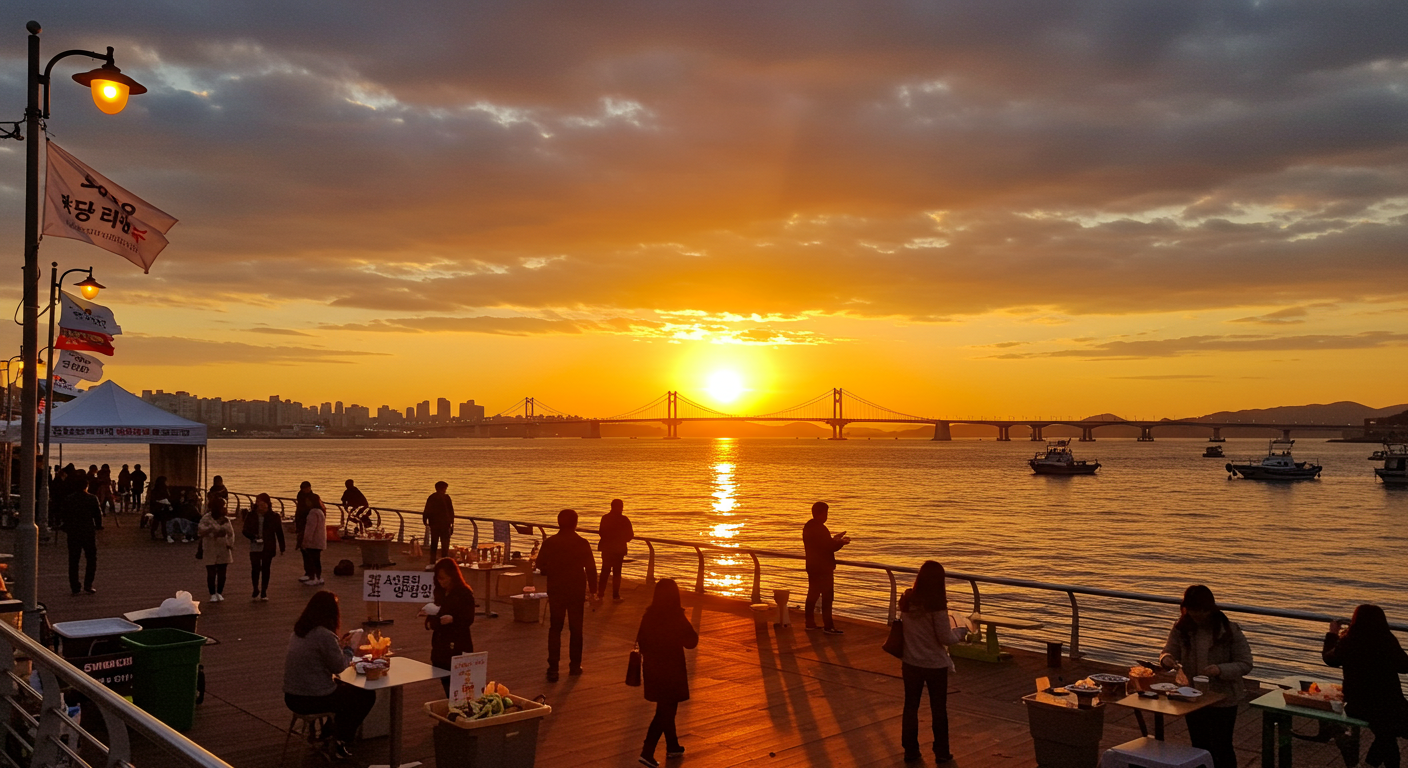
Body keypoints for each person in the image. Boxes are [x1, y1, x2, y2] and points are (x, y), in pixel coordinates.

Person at [1159, 585, 1253, 768]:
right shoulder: (1181, 628)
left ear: (1209, 608)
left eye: (1201, 610)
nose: (1197, 615)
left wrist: (1219, 670)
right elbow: (1168, 651)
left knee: (1222, 745)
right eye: (1192, 610)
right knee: (1199, 746)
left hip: (1223, 697)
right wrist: (1167, 659)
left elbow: (1245, 663)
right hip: (1192, 695)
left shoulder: (1230, 630)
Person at [283, 591, 376, 760]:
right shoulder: (324, 635)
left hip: (291, 696)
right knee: (365, 695)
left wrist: (337, 646)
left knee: (346, 693)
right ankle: (340, 739)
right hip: (313, 698)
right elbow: (340, 667)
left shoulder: (299, 632)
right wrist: (349, 648)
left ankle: (329, 733)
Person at [898, 561, 969, 763]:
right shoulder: (936, 606)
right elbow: (945, 638)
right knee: (938, 709)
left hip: (911, 662)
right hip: (934, 665)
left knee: (910, 707)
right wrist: (961, 632)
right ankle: (941, 752)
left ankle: (910, 750)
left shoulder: (907, 600)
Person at [1324, 604, 1408, 768]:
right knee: (1389, 730)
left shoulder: (1348, 642)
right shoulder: (1387, 641)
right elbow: (1405, 667)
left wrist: (1332, 634)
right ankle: (1369, 764)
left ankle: (1371, 764)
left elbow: (1329, 659)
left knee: (1387, 735)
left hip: (1358, 706)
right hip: (1389, 705)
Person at [635, 578, 698, 768]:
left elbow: (641, 642)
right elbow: (692, 641)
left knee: (665, 708)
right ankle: (647, 751)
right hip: (671, 671)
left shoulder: (649, 615)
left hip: (653, 670)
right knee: (666, 711)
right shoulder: (675, 617)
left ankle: (673, 746)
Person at [535, 508, 598, 681]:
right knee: (576, 629)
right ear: (576, 523)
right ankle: (575, 666)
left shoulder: (550, 542)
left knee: (555, 628)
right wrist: (594, 591)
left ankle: (553, 668)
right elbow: (591, 569)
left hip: (556, 589)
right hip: (576, 590)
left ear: (558, 522)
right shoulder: (582, 543)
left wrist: (549, 570)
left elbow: (540, 564)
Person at [425, 557, 476, 695]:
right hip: (440, 646)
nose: (441, 582)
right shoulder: (439, 592)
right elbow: (433, 616)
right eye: (438, 578)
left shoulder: (464, 593)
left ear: (452, 576)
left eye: (444, 578)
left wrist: (453, 619)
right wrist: (430, 622)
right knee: (447, 683)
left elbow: (469, 618)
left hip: (458, 645)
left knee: (459, 686)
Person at [803, 501, 850, 634]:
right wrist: (841, 542)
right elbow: (828, 547)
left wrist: (835, 539)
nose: (827, 516)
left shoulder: (808, 526)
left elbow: (822, 544)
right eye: (826, 513)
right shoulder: (821, 528)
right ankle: (828, 626)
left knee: (812, 595)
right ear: (821, 513)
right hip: (823, 568)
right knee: (827, 597)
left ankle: (810, 623)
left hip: (812, 566)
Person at [59, 477, 104, 595]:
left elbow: (63, 514)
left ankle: (75, 586)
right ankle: (88, 584)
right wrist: (98, 526)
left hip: (73, 532)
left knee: (73, 560)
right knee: (91, 559)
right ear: (86, 486)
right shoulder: (92, 498)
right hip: (87, 531)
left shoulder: (69, 499)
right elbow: (97, 515)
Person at [244, 493, 285, 600]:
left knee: (266, 568)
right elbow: (245, 530)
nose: (260, 505)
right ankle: (255, 588)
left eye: (262, 503)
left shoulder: (274, 516)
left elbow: (279, 532)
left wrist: (282, 547)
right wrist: (253, 536)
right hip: (255, 545)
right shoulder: (251, 515)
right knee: (255, 568)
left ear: (267, 504)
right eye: (258, 502)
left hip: (268, 545)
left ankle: (264, 591)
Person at [198, 496, 236, 602]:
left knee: (222, 572)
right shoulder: (206, 518)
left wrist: (229, 543)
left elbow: (231, 533)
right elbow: (200, 530)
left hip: (223, 547)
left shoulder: (226, 519)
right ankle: (212, 593)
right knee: (211, 571)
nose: (224, 509)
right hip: (210, 546)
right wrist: (212, 529)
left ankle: (219, 592)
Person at [596, 499, 635, 602]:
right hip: (619, 549)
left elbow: (601, 532)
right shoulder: (624, 519)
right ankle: (615, 596)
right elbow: (630, 535)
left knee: (605, 571)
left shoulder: (605, 518)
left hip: (607, 548)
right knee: (617, 573)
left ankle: (600, 595)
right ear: (621, 507)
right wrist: (622, 539)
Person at [294, 482, 322, 580]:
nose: (305, 490)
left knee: (312, 551)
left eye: (306, 488)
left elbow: (318, 510)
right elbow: (298, 512)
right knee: (304, 549)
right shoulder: (300, 497)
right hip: (302, 525)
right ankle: (308, 572)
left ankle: (314, 575)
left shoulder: (314, 498)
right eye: (303, 488)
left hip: (311, 525)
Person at [422, 481, 455, 562]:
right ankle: (444, 560)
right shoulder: (446, 497)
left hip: (434, 524)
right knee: (445, 543)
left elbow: (427, 509)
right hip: (445, 524)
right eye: (445, 488)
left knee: (434, 543)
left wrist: (425, 520)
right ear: (443, 488)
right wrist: (452, 523)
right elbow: (451, 511)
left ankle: (432, 560)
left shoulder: (431, 497)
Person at [301, 498, 327, 586]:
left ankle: (313, 578)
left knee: (312, 560)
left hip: (313, 541)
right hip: (320, 540)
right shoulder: (320, 512)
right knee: (317, 560)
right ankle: (319, 577)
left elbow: (310, 529)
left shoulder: (312, 513)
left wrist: (305, 541)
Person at [148, 476, 174, 541]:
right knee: (163, 522)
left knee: (156, 522)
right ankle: (164, 535)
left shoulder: (155, 489)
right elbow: (167, 497)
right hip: (163, 508)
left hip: (157, 508)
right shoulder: (164, 489)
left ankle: (153, 534)